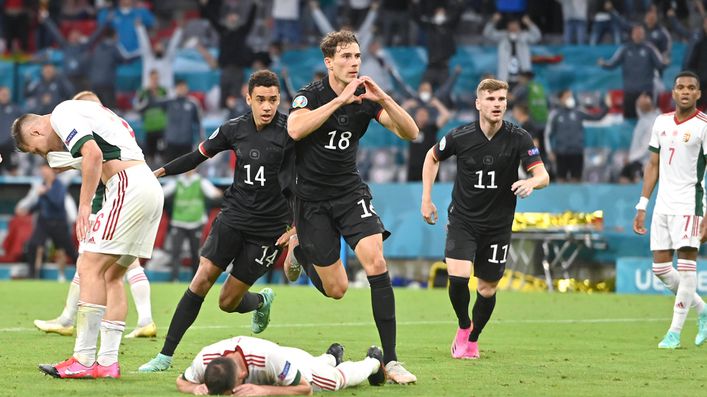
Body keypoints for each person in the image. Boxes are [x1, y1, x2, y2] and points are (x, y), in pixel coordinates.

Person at [139, 70, 294, 373]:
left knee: (227, 302)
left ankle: (261, 302)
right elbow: (197, 156)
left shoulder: (292, 131)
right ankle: (165, 357)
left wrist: (296, 227)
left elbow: (307, 180)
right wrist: (161, 172)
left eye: (273, 100)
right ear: (248, 99)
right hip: (234, 216)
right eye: (260, 99)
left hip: (270, 229)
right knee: (201, 278)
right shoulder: (233, 129)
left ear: (279, 100)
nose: (267, 106)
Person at [286, 30, 418, 384]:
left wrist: (385, 99)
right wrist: (339, 101)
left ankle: (391, 361)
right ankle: (298, 248)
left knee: (376, 260)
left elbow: (412, 132)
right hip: (311, 200)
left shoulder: (366, 98)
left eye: (357, 56)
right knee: (337, 289)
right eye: (345, 56)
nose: (354, 62)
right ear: (328, 62)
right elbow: (295, 130)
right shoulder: (309, 95)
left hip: (349, 193)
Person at [13, 93, 164, 378]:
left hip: (126, 185)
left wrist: (84, 206)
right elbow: (74, 158)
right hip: (147, 185)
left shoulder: (61, 112)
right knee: (112, 275)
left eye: (35, 149)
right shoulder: (94, 114)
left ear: (35, 130)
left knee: (88, 266)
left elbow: (92, 155)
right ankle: (107, 363)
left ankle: (82, 359)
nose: (40, 155)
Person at [420, 78, 550, 359]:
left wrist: (531, 183)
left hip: (498, 225)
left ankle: (474, 338)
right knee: (458, 277)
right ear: (478, 104)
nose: (497, 105)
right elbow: (432, 157)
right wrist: (426, 198)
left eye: (501, 100)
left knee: (487, 288)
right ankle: (464, 327)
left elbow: (543, 175)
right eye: (490, 99)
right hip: (463, 220)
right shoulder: (460, 136)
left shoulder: (519, 138)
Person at [632, 71, 707, 349]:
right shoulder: (661, 122)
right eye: (680, 87)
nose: (685, 92)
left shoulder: (703, 125)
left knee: (687, 270)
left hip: (690, 202)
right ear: (673, 93)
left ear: (698, 94)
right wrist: (642, 205)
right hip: (663, 204)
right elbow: (652, 165)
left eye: (691, 88)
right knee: (661, 268)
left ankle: (674, 333)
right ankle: (703, 310)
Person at [176, 336, 386, 395]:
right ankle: (330, 357)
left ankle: (373, 362)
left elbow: (304, 389)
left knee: (335, 381)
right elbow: (182, 381)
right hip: (283, 362)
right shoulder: (205, 359)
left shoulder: (267, 357)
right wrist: (195, 387)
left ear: (242, 373)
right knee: (320, 364)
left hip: (292, 364)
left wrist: (263, 390)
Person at [162, 168, 222, 281]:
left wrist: (218, 193)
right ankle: (174, 278)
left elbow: (214, 193)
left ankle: (195, 279)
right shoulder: (177, 181)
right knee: (176, 252)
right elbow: (162, 192)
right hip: (179, 221)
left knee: (195, 253)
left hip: (195, 222)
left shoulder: (201, 181)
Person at [23, 162, 78, 280]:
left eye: (45, 170)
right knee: (33, 245)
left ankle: (82, 273)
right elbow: (40, 204)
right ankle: (32, 275)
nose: (43, 173)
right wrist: (28, 210)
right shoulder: (43, 184)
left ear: (51, 171)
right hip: (43, 222)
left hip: (58, 222)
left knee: (69, 250)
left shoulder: (59, 185)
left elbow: (58, 203)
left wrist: (46, 192)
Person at [544, 89, 609, 182]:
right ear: (561, 99)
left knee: (576, 179)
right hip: (561, 153)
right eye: (567, 96)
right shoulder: (555, 114)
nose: (570, 99)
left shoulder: (579, 111)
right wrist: (549, 151)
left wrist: (606, 106)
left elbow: (597, 117)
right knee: (561, 179)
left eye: (571, 96)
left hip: (577, 152)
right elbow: (548, 134)